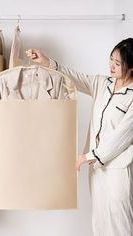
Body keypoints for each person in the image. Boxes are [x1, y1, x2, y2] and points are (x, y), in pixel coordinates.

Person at [26, 38, 133, 236]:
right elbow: (75, 78)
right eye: (111, 60)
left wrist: (88, 156)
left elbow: (121, 138)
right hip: (96, 170)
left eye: (118, 63)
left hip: (117, 170)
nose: (112, 66)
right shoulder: (102, 83)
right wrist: (47, 62)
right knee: (99, 222)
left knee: (120, 223)